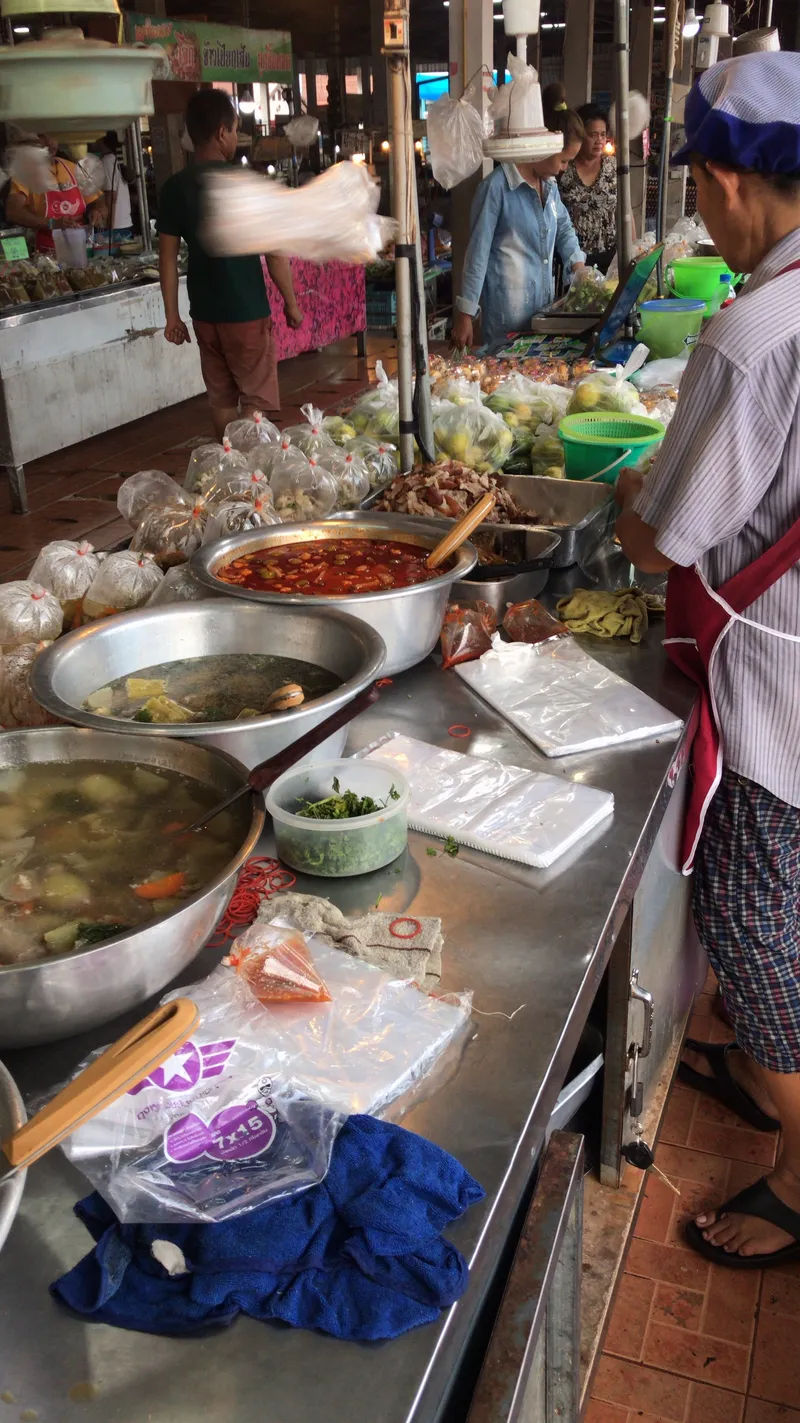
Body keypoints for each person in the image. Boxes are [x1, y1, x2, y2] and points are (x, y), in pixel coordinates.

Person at [615, 51, 800, 1271]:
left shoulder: (751, 332)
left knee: (757, 912)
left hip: (775, 695)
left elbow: (662, 534)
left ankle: (797, 1164)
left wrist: (627, 499)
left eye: (699, 187)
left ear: (734, 182)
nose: (699, 211)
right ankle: (746, 1052)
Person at [157, 89, 303, 438]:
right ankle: (252, 476)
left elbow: (167, 259)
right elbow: (275, 253)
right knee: (254, 399)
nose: (236, 138)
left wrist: (172, 316)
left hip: (204, 312)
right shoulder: (247, 184)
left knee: (221, 398)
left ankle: (227, 471)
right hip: (246, 310)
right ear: (222, 132)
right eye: (236, 129)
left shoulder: (175, 188)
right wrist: (291, 304)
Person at [451, 88, 586, 352]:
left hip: (540, 317)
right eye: (563, 161)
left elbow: (564, 228)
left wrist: (577, 265)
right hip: (506, 322)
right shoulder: (496, 189)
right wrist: (465, 314)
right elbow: (477, 255)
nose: (565, 168)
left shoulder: (550, 187)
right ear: (544, 148)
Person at [5, 135, 106, 255]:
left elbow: (98, 200)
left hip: (82, 247)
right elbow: (13, 212)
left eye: (53, 136)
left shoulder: (73, 168)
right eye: (43, 137)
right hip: (48, 254)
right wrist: (51, 223)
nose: (50, 142)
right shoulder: (26, 172)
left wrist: (97, 210)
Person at [559, 102, 616, 272]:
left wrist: (631, 249)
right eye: (593, 135)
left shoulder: (613, 168)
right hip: (573, 261)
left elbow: (625, 212)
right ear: (580, 135)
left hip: (609, 256)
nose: (599, 141)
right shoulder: (562, 168)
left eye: (603, 134)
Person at [93, 131, 134, 255]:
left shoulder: (107, 161)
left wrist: (110, 227)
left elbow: (111, 196)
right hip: (123, 221)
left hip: (116, 225)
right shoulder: (114, 159)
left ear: (102, 141)